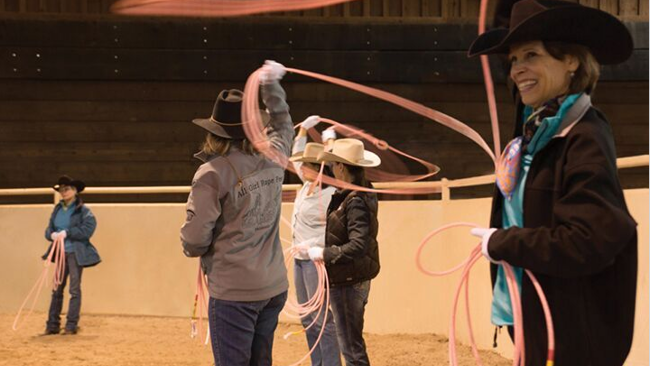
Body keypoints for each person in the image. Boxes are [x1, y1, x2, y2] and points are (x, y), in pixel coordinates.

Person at [467, 1, 638, 365]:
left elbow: (588, 239)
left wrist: (504, 242)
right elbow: (525, 79)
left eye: (531, 55)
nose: (517, 70)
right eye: (513, 59)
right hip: (531, 314)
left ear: (571, 61)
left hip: (571, 333)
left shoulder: (583, 134)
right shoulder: (538, 124)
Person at [180, 60, 294, 366]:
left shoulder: (211, 173)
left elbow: (194, 239)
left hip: (234, 289)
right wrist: (271, 84)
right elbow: (284, 124)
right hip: (273, 285)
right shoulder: (274, 155)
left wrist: (198, 248)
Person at [308, 138, 381, 366]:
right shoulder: (360, 194)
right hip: (352, 278)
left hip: (349, 280)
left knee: (351, 348)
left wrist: (324, 253)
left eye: (333, 165)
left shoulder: (354, 200)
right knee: (351, 344)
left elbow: (358, 245)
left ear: (341, 167)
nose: (331, 169)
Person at [289, 116, 342, 366]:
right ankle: (318, 363)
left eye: (307, 166)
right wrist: (302, 130)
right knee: (307, 316)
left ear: (317, 167)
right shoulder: (307, 184)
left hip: (315, 261)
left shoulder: (332, 194)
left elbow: (333, 231)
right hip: (300, 260)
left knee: (321, 318)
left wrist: (330, 142)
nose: (302, 169)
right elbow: (297, 152)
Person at [43, 175, 100, 335]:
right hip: (60, 252)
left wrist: (68, 233)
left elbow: (88, 229)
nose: (63, 192)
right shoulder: (58, 209)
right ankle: (52, 324)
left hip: (75, 253)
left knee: (74, 290)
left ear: (75, 191)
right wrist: (52, 235)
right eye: (61, 189)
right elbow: (48, 229)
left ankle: (71, 325)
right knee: (57, 288)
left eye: (66, 189)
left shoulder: (83, 210)